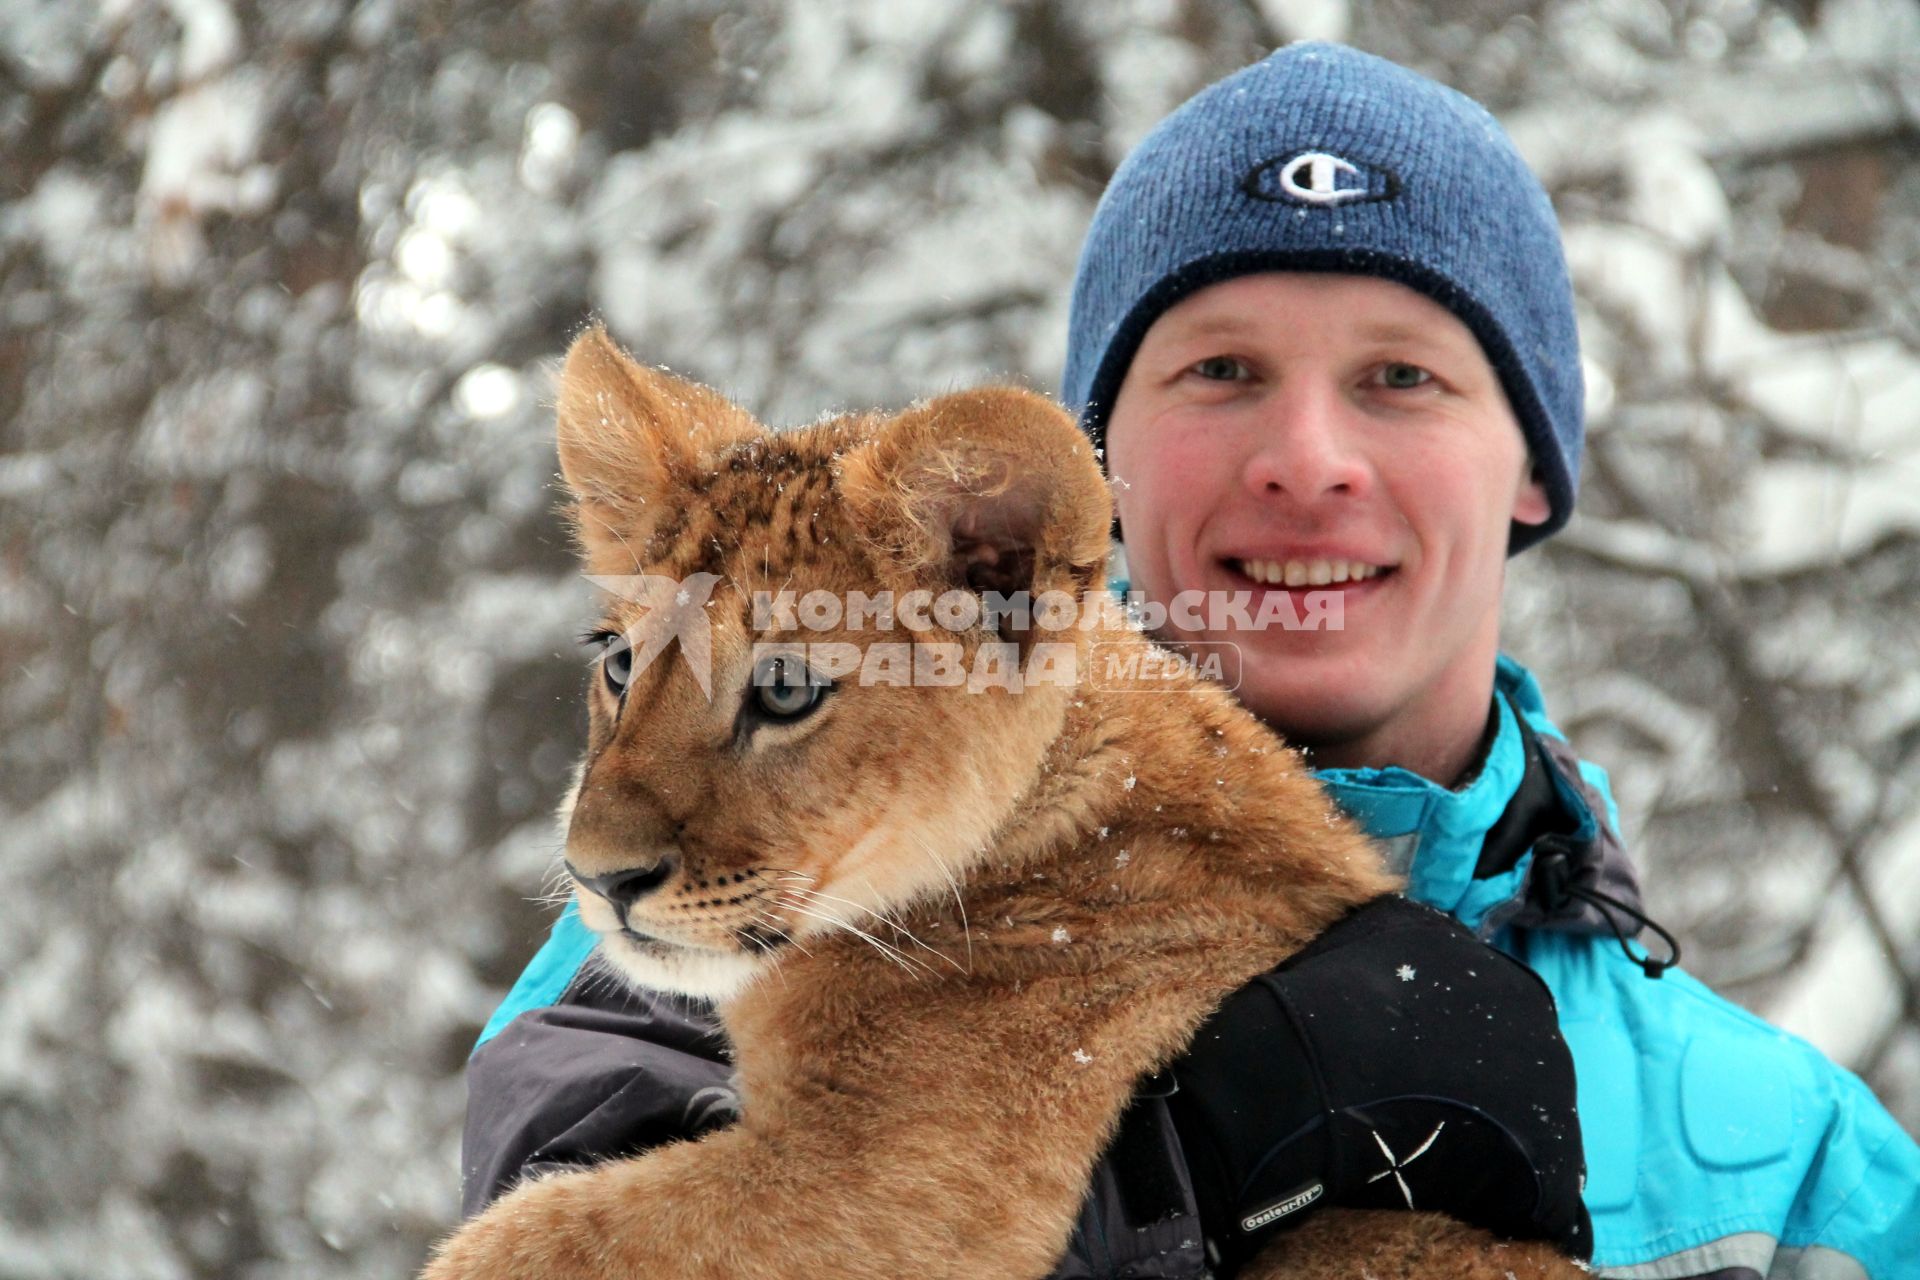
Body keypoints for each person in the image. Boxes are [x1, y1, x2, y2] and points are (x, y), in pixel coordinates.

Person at [460, 42, 1919, 1279]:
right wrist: (1143, 1206)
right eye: (1221, 370)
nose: (1307, 462)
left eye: (1400, 377)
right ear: (1089, 479)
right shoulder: (692, 955)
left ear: (1534, 465)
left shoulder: (1788, 1157)